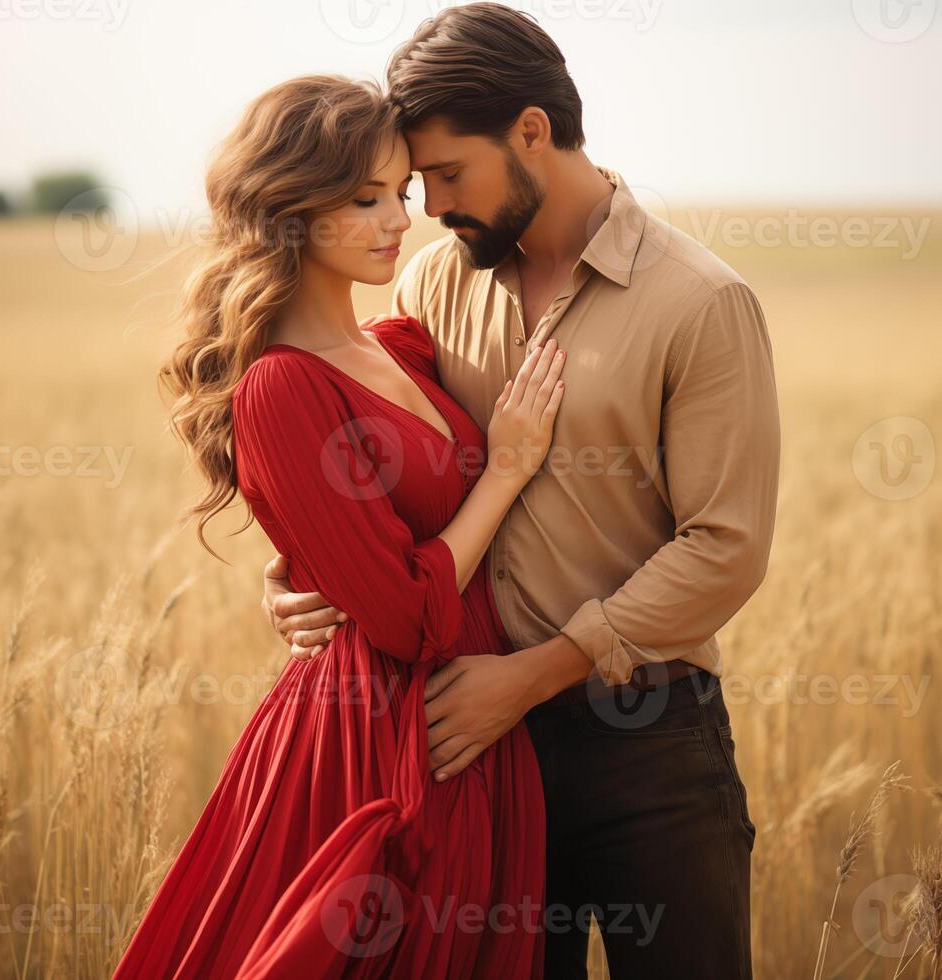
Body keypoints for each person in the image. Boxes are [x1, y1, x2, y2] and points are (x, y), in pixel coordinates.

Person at [262, 4, 781, 978]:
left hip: (646, 744)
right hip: (469, 753)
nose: (429, 206)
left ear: (531, 132)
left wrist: (533, 673)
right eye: (415, 183)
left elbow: (725, 547)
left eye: (449, 174)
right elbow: (367, 464)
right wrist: (296, 569)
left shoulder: (699, 302)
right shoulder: (432, 285)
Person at [111, 73, 562, 979]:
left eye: (400, 193)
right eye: (365, 200)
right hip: (377, 747)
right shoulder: (281, 387)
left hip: (471, 729)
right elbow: (404, 618)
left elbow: (363, 542)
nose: (399, 220)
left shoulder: (396, 344)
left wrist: (299, 566)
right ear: (288, 209)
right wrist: (507, 469)